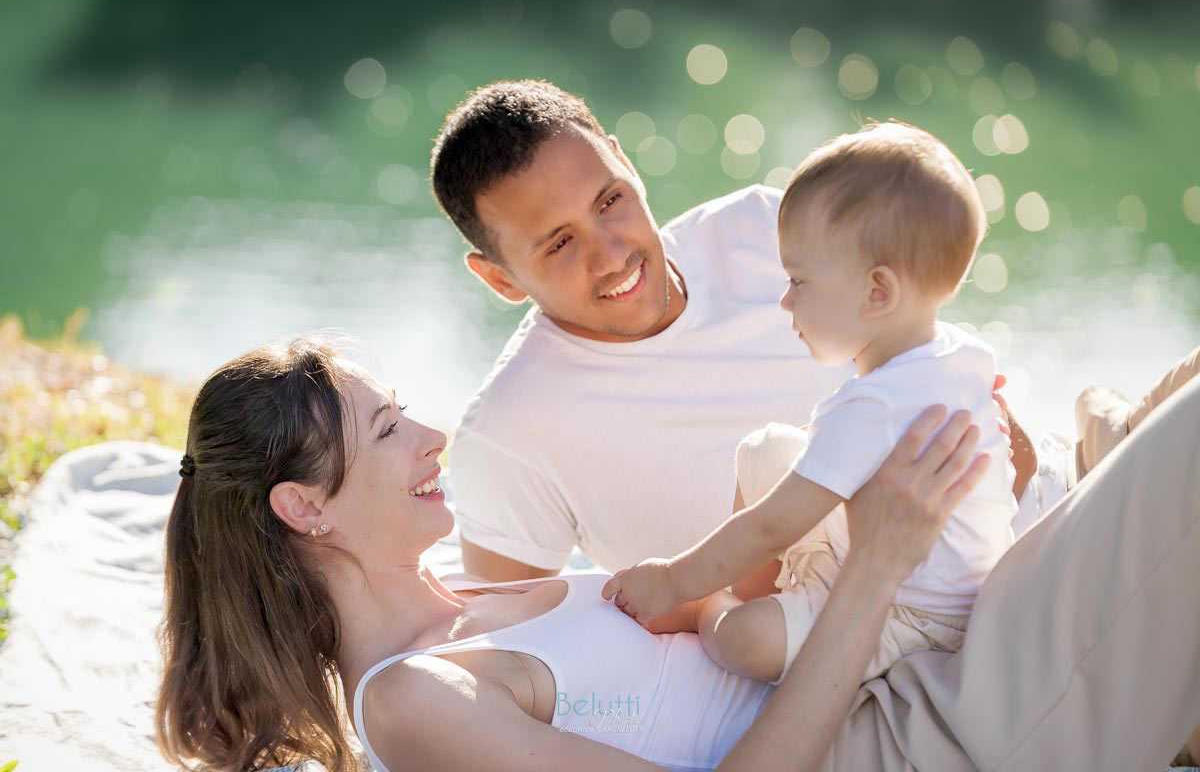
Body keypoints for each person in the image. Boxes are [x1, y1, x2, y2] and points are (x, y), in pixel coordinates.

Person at [153, 333, 1200, 772]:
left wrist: (784, 535)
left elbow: (708, 661)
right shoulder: (409, 698)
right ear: (306, 507)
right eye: (388, 431)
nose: (432, 438)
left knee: (1172, 400)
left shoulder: (471, 600)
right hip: (918, 745)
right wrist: (874, 570)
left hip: (903, 673)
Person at [430, 80, 1048, 592]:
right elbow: (517, 637)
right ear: (499, 279)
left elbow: (961, 394)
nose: (612, 253)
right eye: (560, 243)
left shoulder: (769, 230)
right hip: (841, 655)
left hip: (1011, 541)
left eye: (610, 199)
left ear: (625, 161)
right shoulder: (509, 436)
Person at [603, 122, 1019, 686]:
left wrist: (673, 582)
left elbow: (771, 527)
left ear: (878, 292)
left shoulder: (872, 406)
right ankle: (773, 592)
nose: (784, 299)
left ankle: (713, 609)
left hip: (914, 617)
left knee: (749, 642)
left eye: (799, 281)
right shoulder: (963, 351)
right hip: (916, 567)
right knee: (769, 449)